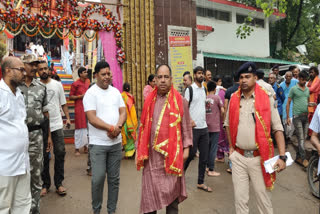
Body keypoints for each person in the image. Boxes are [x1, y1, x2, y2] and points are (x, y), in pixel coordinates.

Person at [225, 62, 286, 214]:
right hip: (238, 157)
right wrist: (231, 148)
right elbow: (227, 124)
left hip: (260, 158)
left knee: (264, 201)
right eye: (241, 77)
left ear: (255, 78)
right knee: (240, 202)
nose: (244, 80)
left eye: (248, 77)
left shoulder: (266, 98)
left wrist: (283, 157)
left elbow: (278, 128)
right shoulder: (234, 99)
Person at [136, 64, 192, 214]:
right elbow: (143, 126)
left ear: (171, 79)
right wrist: (139, 149)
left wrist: (186, 149)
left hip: (172, 157)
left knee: (172, 200)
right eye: (159, 77)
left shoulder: (180, 100)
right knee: (149, 197)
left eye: (166, 77)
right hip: (152, 159)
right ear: (155, 79)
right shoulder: (149, 101)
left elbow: (186, 126)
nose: (162, 80)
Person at [83, 61, 126, 214]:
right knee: (98, 178)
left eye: (109, 73)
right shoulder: (90, 93)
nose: (107, 77)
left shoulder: (115, 92)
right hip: (98, 144)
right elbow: (92, 118)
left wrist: (118, 127)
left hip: (115, 144)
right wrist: (111, 128)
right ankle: (96, 210)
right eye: (103, 74)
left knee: (114, 180)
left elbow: (123, 112)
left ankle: (111, 210)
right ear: (96, 75)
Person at [19, 54, 52, 214]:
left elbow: (46, 115)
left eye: (35, 64)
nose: (34, 68)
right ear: (22, 65)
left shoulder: (41, 88)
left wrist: (48, 137)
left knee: (36, 175)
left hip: (36, 136)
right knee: (18, 175)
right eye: (31, 64)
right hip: (16, 137)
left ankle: (34, 209)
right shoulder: (14, 86)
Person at [0, 56, 31, 213]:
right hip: (5, 166)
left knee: (23, 205)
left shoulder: (19, 94)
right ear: (8, 71)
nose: (24, 73)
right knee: (3, 207)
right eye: (21, 70)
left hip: (22, 163)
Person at [39, 61, 71, 197]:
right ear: (37, 71)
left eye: (45, 68)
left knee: (60, 153)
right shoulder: (36, 85)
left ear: (50, 70)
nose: (43, 71)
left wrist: (68, 118)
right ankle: (45, 184)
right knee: (44, 155)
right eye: (40, 69)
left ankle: (59, 183)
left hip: (57, 124)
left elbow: (63, 103)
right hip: (42, 126)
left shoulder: (57, 85)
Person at [184, 66, 212, 192]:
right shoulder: (190, 89)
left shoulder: (204, 89)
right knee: (190, 155)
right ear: (194, 75)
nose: (201, 75)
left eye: (202, 74)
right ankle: (180, 176)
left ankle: (200, 182)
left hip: (204, 127)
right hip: (193, 129)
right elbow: (184, 108)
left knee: (204, 157)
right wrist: (189, 120)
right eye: (199, 73)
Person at [286, 72, 310, 168]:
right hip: (297, 117)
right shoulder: (294, 89)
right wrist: (288, 117)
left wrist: (310, 105)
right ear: (299, 78)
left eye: (305, 80)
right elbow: (288, 103)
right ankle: (304, 159)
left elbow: (307, 102)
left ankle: (298, 157)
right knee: (301, 138)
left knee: (303, 138)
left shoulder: (307, 89)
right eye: (303, 79)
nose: (304, 81)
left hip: (306, 117)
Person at [69, 67, 90, 156]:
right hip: (79, 107)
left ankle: (86, 147)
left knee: (87, 127)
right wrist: (80, 96)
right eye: (85, 72)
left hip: (88, 107)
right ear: (80, 74)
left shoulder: (88, 82)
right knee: (79, 128)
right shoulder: (75, 84)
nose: (86, 73)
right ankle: (77, 148)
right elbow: (70, 97)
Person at [205, 81, 224, 177]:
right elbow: (223, 110)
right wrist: (221, 118)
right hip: (215, 126)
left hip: (206, 126)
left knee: (207, 148)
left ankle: (207, 166)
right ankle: (211, 169)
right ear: (215, 89)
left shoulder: (205, 98)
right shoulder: (217, 98)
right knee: (213, 148)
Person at [280, 71, 298, 143]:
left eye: (290, 76)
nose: (288, 78)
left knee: (292, 121)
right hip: (284, 104)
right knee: (285, 121)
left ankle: (289, 136)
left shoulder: (295, 82)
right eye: (287, 76)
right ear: (285, 77)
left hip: (293, 103)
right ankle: (286, 136)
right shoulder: (281, 85)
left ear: (291, 77)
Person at [121, 82, 138, 158]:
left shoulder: (121, 96)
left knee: (126, 136)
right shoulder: (130, 97)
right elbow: (132, 110)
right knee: (131, 137)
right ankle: (132, 152)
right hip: (130, 120)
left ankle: (128, 154)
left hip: (123, 119)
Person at [307, 66, 320, 134]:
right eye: (310, 72)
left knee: (314, 118)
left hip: (315, 102)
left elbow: (311, 89)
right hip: (309, 101)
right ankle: (310, 133)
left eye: (312, 72)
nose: (310, 74)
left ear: (316, 73)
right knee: (309, 118)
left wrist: (304, 89)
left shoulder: (317, 80)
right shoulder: (310, 80)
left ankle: (313, 134)